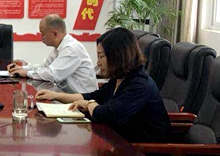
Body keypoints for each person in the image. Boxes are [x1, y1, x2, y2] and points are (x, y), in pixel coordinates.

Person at [36, 27, 171, 144]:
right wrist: (56, 96)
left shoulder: (139, 85)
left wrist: (89, 104)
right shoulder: (119, 78)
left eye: (101, 56)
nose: (98, 63)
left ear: (117, 56)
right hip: (120, 144)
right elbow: (93, 96)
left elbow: (109, 116)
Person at [7, 14, 97, 94]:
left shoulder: (71, 49)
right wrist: (22, 68)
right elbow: (44, 67)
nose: (41, 37)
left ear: (55, 34)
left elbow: (52, 75)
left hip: (84, 101)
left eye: (43, 34)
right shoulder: (59, 48)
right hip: (68, 96)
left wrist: (27, 73)